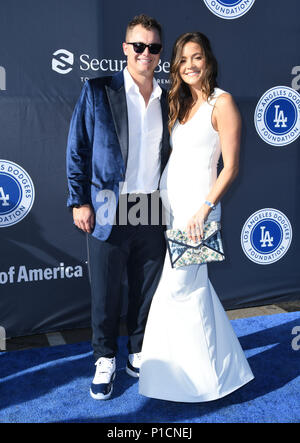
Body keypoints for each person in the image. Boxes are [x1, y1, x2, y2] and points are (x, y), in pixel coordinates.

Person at [139, 32, 254, 402]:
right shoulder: (182, 103)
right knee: (194, 288)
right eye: (183, 59)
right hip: (171, 210)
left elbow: (231, 166)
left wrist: (204, 210)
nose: (190, 65)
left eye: (197, 57)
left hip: (197, 214)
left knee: (179, 289)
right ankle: (223, 371)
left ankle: (192, 380)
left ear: (208, 61)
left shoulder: (223, 103)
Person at [66, 14, 170, 400]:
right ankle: (104, 357)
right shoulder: (97, 90)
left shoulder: (168, 98)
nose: (146, 53)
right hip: (108, 206)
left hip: (152, 208)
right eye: (139, 46)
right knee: (106, 292)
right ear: (125, 49)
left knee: (145, 290)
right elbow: (77, 150)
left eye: (154, 47)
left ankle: (138, 352)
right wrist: (78, 200)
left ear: (160, 53)